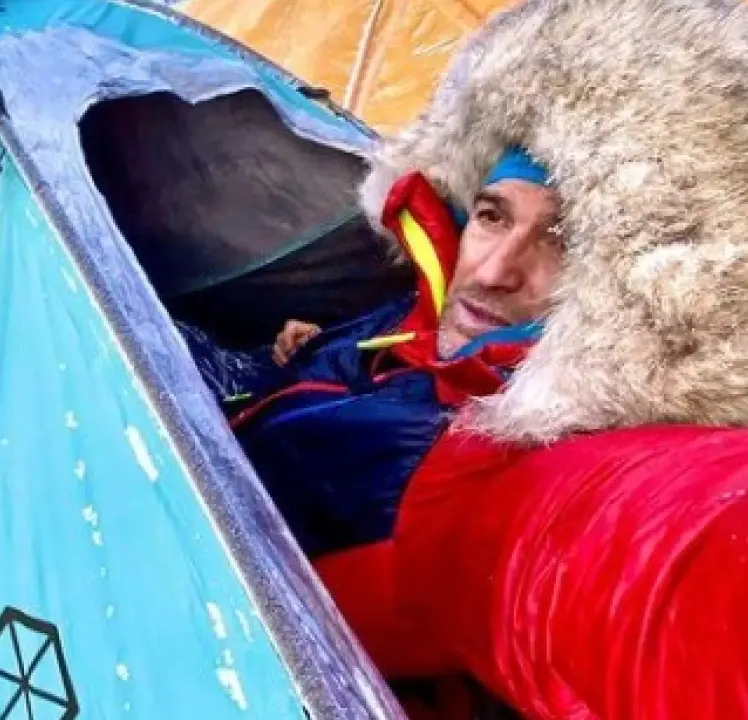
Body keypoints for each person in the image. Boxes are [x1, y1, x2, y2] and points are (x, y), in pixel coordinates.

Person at [176, 146, 559, 559]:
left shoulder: (498, 459)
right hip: (236, 405)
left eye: (562, 242)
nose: (492, 273)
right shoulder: (434, 303)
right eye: (492, 217)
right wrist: (318, 353)